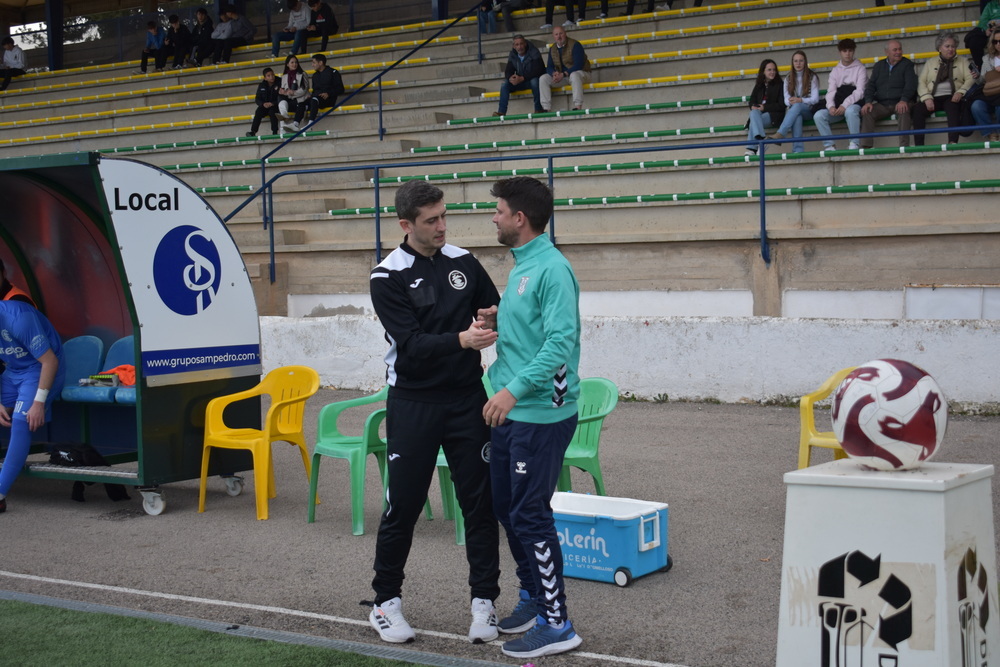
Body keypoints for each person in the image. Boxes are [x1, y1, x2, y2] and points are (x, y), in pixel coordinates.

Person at [367, 180, 501, 646]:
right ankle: (386, 602)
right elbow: (413, 346)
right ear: (406, 225)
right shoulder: (386, 276)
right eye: (431, 220)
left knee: (479, 505)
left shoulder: (464, 261)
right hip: (414, 404)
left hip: (467, 399)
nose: (442, 226)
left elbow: (493, 307)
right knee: (401, 506)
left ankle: (485, 602)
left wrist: (490, 320)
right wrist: (462, 340)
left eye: (445, 216)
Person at [481, 176, 583, 659]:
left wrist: (512, 390)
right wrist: (501, 319)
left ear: (519, 218)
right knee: (507, 507)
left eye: (498, 210)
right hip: (513, 409)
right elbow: (534, 329)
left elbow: (559, 344)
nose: (494, 217)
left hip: (539, 412)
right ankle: (534, 596)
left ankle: (558, 623)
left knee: (529, 513)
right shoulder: (523, 265)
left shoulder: (552, 268)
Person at [0, 300, 66, 514]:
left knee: (21, 421)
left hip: (39, 369)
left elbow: (50, 362)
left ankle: (0, 494)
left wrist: (38, 402)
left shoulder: (18, 318)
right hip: (13, 371)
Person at [912, 32, 973, 146]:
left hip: (952, 96)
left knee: (953, 108)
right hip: (933, 97)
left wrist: (960, 92)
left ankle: (952, 142)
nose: (951, 49)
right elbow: (921, 81)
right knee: (918, 110)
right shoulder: (931, 62)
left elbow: (970, 79)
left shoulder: (963, 61)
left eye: (953, 46)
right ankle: (919, 146)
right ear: (939, 48)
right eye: (947, 46)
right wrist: (926, 98)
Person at [860, 39, 917, 148]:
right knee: (867, 112)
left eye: (900, 49)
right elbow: (871, 85)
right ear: (887, 52)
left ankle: (904, 146)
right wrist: (868, 102)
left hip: (900, 101)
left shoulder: (907, 64)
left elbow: (910, 85)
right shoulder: (879, 66)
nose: (898, 52)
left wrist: (904, 100)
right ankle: (865, 147)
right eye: (895, 50)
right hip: (883, 104)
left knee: (903, 110)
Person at [813, 38, 868, 150]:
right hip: (838, 105)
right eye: (844, 51)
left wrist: (845, 105)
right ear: (840, 52)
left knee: (851, 111)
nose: (847, 54)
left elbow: (860, 91)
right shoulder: (835, 71)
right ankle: (829, 145)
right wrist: (831, 106)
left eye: (850, 50)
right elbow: (831, 91)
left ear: (854, 51)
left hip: (855, 103)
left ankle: (854, 143)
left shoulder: (861, 68)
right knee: (819, 115)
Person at [771, 50, 820, 153]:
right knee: (797, 115)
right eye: (795, 61)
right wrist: (791, 101)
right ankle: (798, 150)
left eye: (801, 61)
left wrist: (800, 100)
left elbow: (815, 99)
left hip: (810, 110)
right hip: (796, 110)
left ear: (805, 62)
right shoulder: (788, 78)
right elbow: (785, 100)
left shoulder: (812, 77)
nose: (798, 64)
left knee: (797, 106)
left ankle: (781, 133)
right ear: (792, 62)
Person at [539, 25, 591, 112]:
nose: (559, 37)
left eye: (561, 33)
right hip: (564, 77)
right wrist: (553, 73)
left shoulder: (575, 45)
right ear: (553, 36)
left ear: (565, 33)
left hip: (582, 74)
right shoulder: (553, 48)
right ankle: (546, 108)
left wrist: (563, 74)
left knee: (574, 75)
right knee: (543, 78)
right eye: (556, 34)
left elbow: (578, 65)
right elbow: (549, 66)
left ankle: (578, 106)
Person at [495, 34, 546, 116]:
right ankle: (501, 112)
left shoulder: (534, 51)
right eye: (517, 44)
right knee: (505, 84)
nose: (520, 47)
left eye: (521, 44)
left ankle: (538, 109)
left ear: (525, 43)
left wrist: (523, 78)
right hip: (520, 81)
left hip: (530, 80)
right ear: (514, 46)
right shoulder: (512, 54)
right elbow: (508, 70)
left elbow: (539, 70)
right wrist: (511, 78)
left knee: (535, 81)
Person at [743, 58, 784, 156]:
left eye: (774, 70)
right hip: (759, 115)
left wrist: (764, 108)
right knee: (753, 113)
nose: (772, 72)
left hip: (774, 116)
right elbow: (752, 100)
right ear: (763, 71)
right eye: (769, 70)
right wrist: (753, 106)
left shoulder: (780, 84)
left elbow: (781, 105)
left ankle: (752, 147)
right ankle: (761, 140)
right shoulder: (759, 85)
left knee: (754, 120)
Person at [971, 29, 1000, 141]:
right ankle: (990, 133)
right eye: (995, 41)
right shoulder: (987, 59)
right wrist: (977, 77)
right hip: (991, 92)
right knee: (976, 106)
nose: (998, 44)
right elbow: (983, 80)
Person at [306, 53, 344, 125]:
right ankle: (295, 124)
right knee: (301, 102)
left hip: (328, 100)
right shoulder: (315, 75)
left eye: (314, 62)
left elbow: (341, 89)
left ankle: (310, 124)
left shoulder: (333, 73)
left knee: (314, 99)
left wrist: (329, 94)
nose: (312, 65)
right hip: (316, 99)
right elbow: (315, 90)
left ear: (320, 63)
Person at [277, 54, 310, 132]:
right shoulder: (284, 76)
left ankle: (283, 128)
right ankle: (284, 116)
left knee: (296, 103)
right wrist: (283, 92)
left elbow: (304, 89)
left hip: (300, 101)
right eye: (292, 62)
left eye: (296, 62)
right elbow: (284, 89)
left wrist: (293, 93)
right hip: (290, 100)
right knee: (280, 98)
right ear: (287, 64)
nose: (294, 64)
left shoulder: (302, 74)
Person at [248, 67, 281, 137]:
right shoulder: (261, 85)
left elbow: (281, 97)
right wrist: (263, 104)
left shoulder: (279, 82)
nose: (271, 77)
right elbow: (257, 98)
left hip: (276, 105)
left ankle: (275, 131)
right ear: (265, 78)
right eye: (269, 76)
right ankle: (253, 131)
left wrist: (273, 103)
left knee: (272, 112)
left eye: (272, 75)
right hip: (265, 106)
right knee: (258, 111)